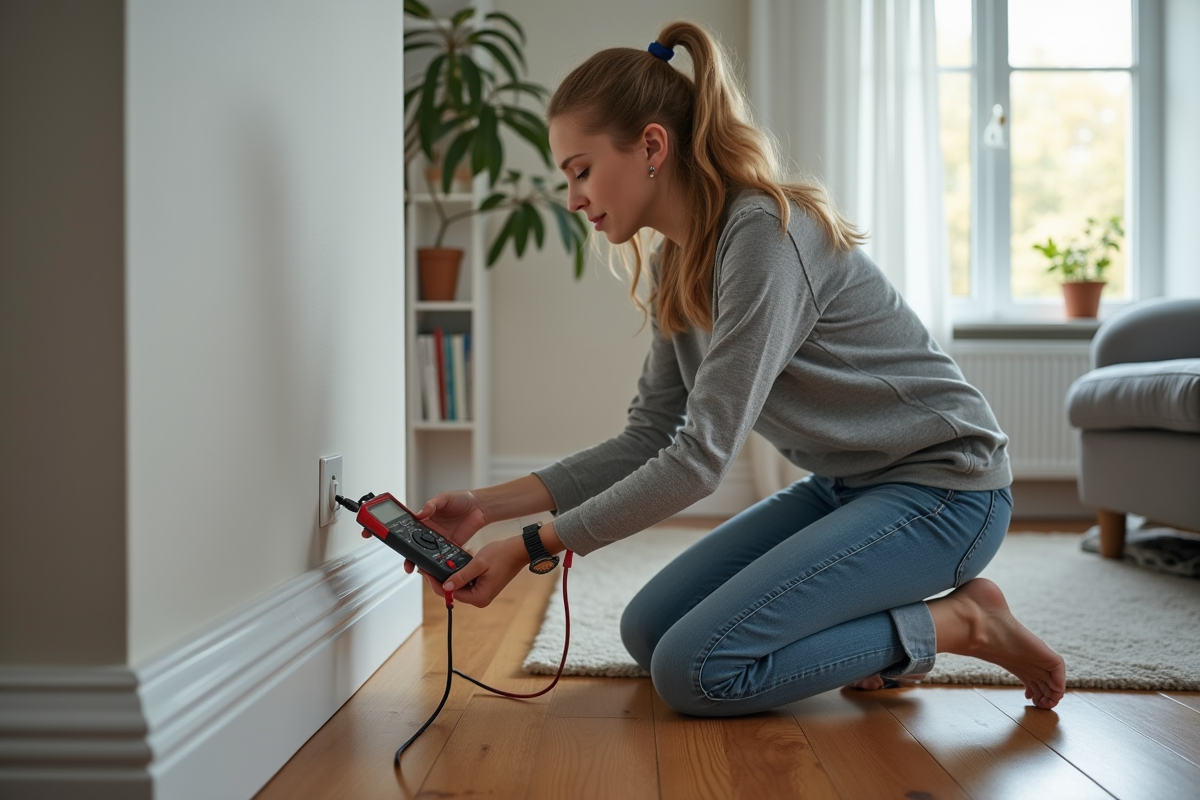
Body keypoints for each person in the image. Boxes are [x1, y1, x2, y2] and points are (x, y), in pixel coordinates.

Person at [405, 20, 1066, 715]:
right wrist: (485, 506)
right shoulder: (674, 263)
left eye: (580, 170)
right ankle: (878, 610)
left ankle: (963, 620)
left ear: (652, 146)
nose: (571, 198)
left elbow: (699, 460)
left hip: (946, 493)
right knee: (647, 630)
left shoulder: (763, 234)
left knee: (697, 671)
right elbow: (648, 437)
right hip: (849, 486)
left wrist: (534, 544)